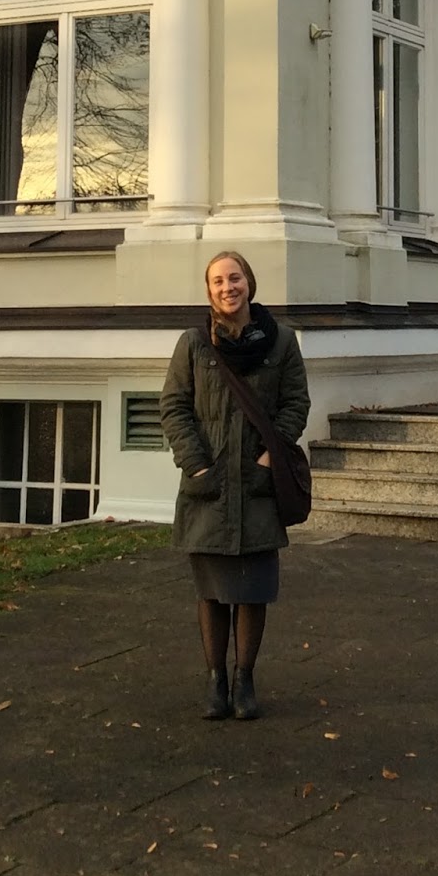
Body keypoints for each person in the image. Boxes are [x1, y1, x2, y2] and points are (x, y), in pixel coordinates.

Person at [159, 251, 310, 721]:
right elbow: (174, 407)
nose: (228, 287)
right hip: (209, 486)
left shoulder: (281, 340)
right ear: (209, 291)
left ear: (250, 282)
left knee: (253, 589)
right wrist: (196, 466)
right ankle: (215, 681)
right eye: (219, 281)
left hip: (258, 484)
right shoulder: (194, 344)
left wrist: (270, 457)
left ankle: (245, 680)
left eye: (235, 278)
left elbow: (296, 403)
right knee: (212, 590)